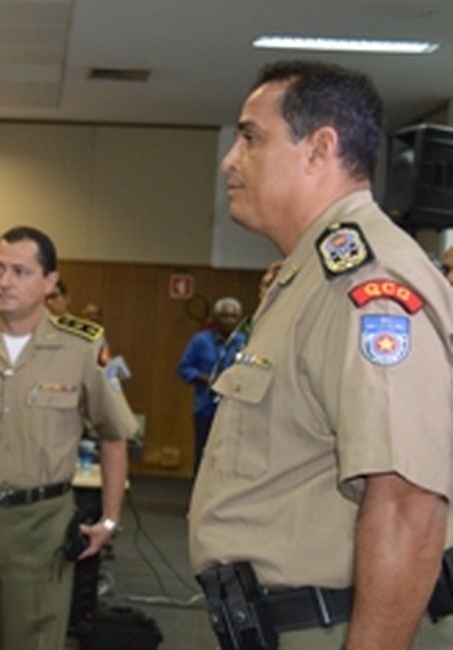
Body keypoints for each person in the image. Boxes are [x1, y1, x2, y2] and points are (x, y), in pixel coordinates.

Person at [189, 61, 453, 649]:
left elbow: (408, 502)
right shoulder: (307, 277)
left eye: (251, 138)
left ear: (320, 149)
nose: (230, 160)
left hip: (334, 629)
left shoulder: (366, 285)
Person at [0, 226, 138, 649]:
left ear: (50, 281)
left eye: (20, 271)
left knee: (34, 638)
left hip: (42, 523)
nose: (4, 281)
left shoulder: (83, 347)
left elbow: (114, 434)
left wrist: (109, 518)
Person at [177, 296, 246, 472]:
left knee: (232, 455)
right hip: (206, 407)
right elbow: (184, 368)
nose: (229, 321)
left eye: (233, 317)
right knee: (203, 452)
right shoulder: (200, 341)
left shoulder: (244, 342)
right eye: (224, 316)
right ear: (215, 318)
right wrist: (206, 378)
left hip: (236, 407)